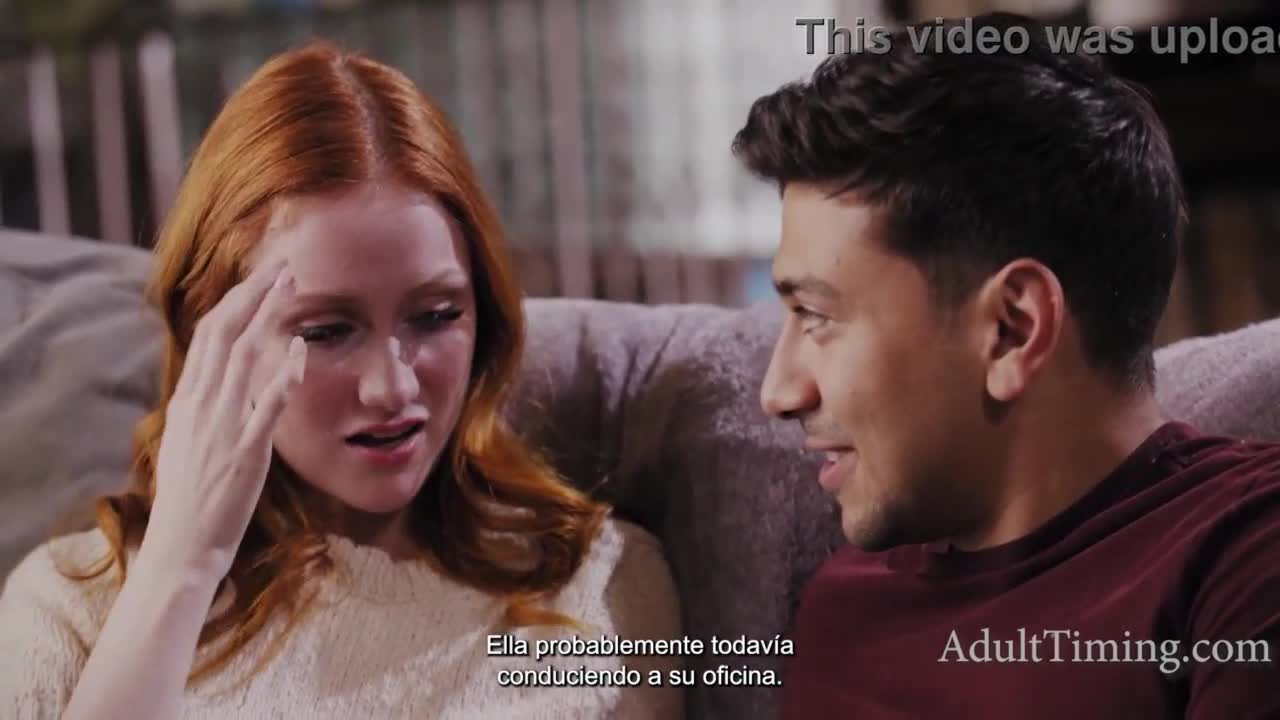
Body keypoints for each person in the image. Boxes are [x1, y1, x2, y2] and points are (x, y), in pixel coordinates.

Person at [0, 42, 683, 719]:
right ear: (212, 335)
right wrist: (180, 572)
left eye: (436, 315)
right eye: (327, 331)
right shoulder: (70, 607)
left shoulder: (598, 586)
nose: (392, 390)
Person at [732, 11, 1280, 719]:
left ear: (1012, 329)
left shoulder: (1246, 560)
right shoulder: (844, 609)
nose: (778, 393)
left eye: (816, 316)